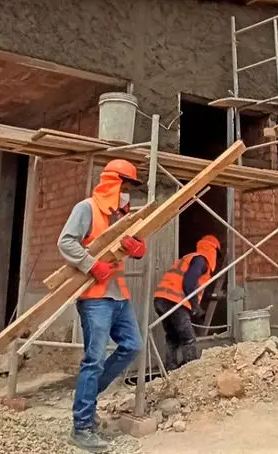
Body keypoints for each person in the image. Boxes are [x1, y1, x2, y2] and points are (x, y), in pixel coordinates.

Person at [59, 159, 146, 452]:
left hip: (119, 296)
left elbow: (135, 245)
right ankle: (81, 426)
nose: (128, 194)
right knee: (94, 359)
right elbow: (66, 242)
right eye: (126, 187)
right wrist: (91, 264)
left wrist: (138, 249)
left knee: (132, 345)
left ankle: (87, 396)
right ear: (113, 183)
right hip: (95, 298)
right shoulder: (87, 209)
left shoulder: (125, 216)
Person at [153, 234, 220, 371]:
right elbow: (189, 284)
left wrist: (212, 296)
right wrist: (195, 307)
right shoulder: (201, 260)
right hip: (174, 301)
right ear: (213, 250)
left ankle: (170, 369)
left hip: (161, 299)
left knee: (173, 337)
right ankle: (192, 372)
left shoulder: (191, 258)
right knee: (188, 338)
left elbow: (195, 287)